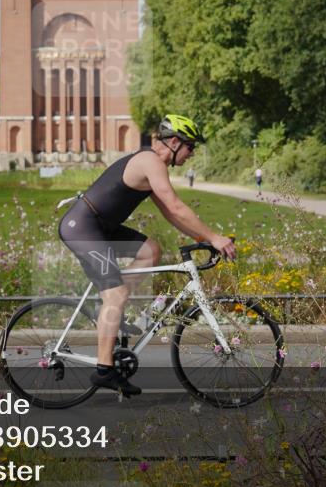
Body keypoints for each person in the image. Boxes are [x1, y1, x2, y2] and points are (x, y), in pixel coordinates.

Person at [58, 114, 236, 397]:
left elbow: (170, 214)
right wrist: (214, 238)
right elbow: (177, 207)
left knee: (151, 250)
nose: (192, 154)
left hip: (100, 227)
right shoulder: (150, 161)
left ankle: (112, 311)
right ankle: (104, 370)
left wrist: (204, 239)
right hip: (83, 227)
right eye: (191, 147)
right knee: (115, 294)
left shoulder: (152, 163)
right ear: (175, 142)